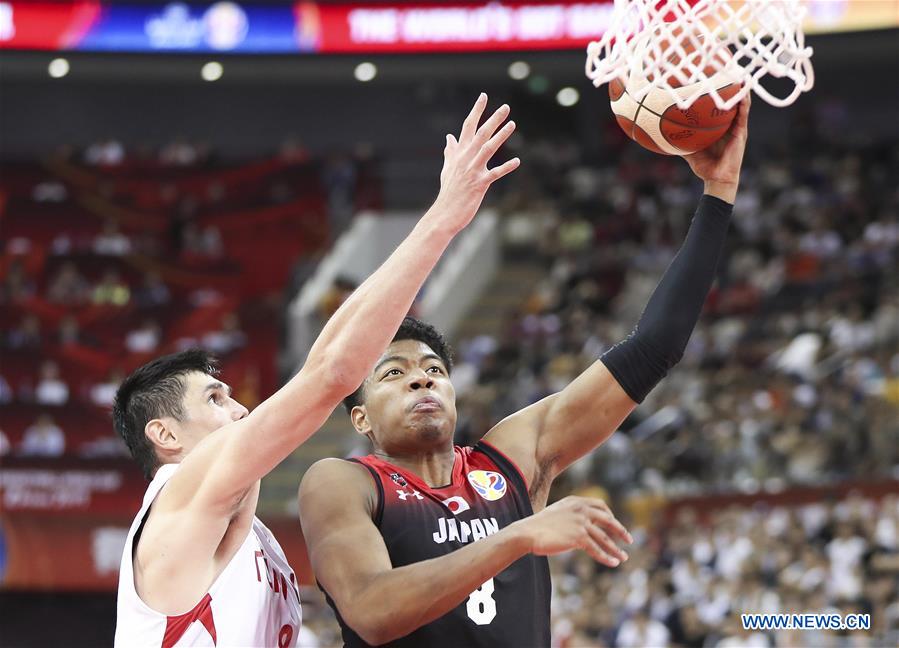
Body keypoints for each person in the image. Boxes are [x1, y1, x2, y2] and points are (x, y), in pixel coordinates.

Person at [298, 96, 752, 647]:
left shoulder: (509, 458)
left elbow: (653, 347)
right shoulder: (343, 481)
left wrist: (718, 195)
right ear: (361, 416)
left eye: (434, 368)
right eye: (393, 373)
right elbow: (371, 610)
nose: (422, 379)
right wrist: (516, 537)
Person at [112, 93, 520, 647]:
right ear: (164, 435)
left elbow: (324, 357)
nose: (240, 409)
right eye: (214, 399)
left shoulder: (245, 530)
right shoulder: (180, 496)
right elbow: (330, 373)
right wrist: (443, 221)